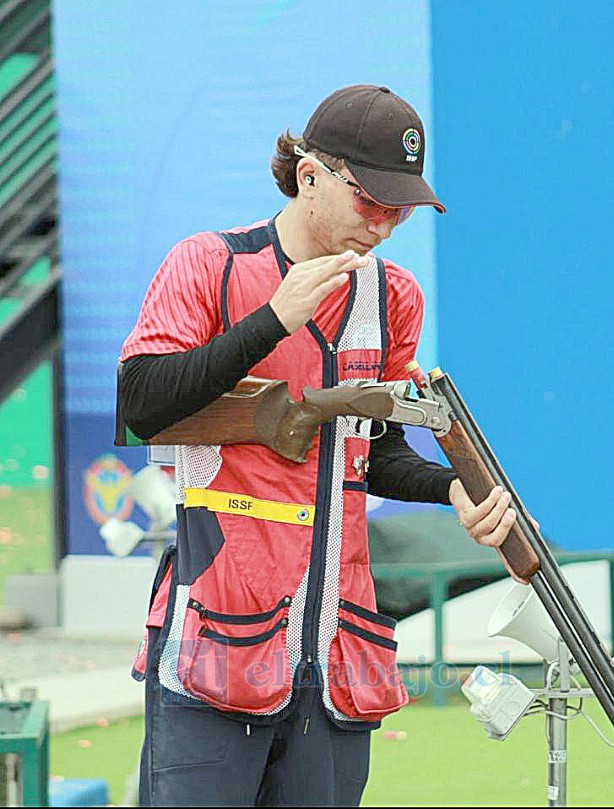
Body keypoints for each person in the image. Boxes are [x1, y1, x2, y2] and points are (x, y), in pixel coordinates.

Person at [118, 84, 519, 807]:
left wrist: (449, 489)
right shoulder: (208, 263)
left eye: (400, 209)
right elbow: (142, 403)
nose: (387, 226)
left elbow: (374, 452)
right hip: (215, 644)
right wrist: (271, 320)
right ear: (310, 176)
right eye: (372, 202)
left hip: (337, 657)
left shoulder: (394, 296)